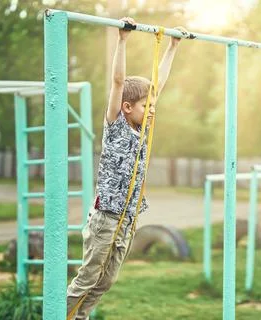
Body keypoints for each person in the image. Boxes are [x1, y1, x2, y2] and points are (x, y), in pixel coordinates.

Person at [66, 17, 186, 320]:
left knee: (106, 281)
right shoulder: (116, 126)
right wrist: (122, 40)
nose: (152, 110)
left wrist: (172, 47)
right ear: (127, 107)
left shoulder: (144, 130)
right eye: (146, 106)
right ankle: (58, 314)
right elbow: (118, 83)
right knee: (88, 277)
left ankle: (79, 318)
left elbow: (158, 85)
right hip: (107, 216)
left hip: (128, 219)